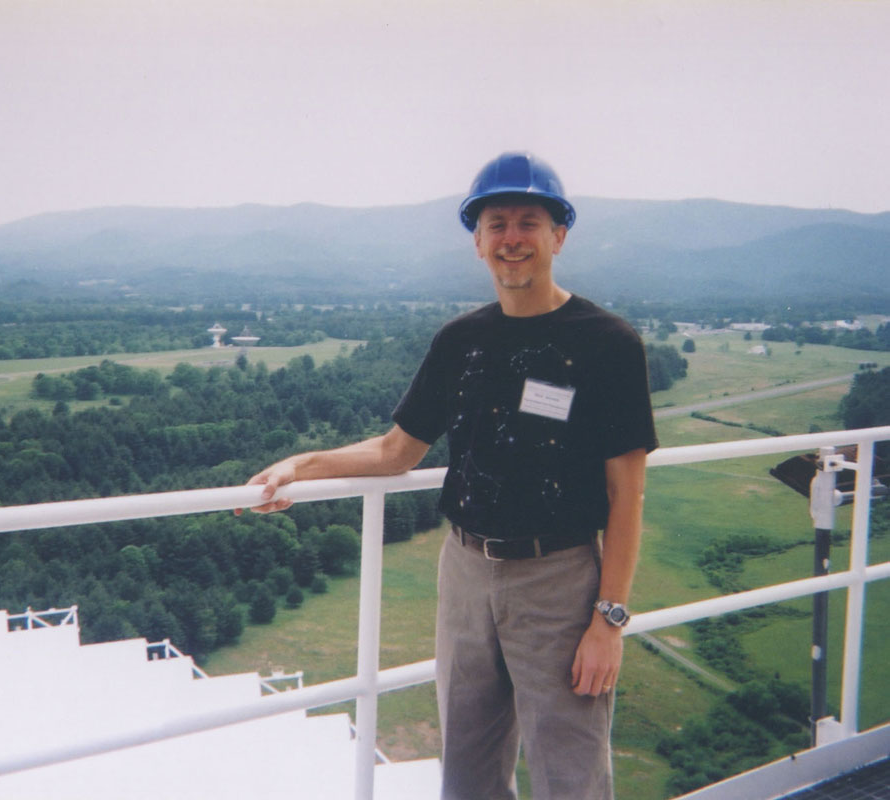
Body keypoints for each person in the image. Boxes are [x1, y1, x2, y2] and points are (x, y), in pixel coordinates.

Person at [240, 152, 657, 799]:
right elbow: (395, 451)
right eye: (496, 224)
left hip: (558, 580)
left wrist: (608, 621)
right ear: (477, 241)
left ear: (558, 235)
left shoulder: (606, 342)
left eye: (528, 222)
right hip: (463, 574)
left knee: (568, 774)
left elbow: (625, 493)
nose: (511, 239)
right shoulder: (460, 342)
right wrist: (301, 466)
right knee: (466, 772)